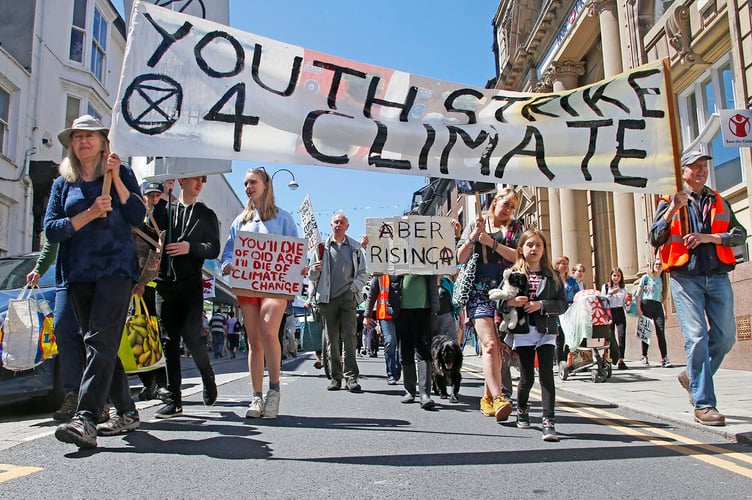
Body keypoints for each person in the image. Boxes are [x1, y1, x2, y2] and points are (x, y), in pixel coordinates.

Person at [45, 115, 144, 448]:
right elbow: (52, 229)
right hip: (78, 273)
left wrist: (116, 181)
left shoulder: (122, 172)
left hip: (115, 269)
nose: (82, 141)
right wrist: (88, 214)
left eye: (90, 136)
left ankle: (86, 418)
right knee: (99, 345)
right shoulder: (64, 183)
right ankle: (127, 410)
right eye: (76, 137)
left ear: (104, 142)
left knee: (100, 342)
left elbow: (138, 216)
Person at [650, 150, 746, 426]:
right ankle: (704, 404)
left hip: (717, 276)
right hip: (685, 277)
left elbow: (739, 234)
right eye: (695, 166)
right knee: (697, 337)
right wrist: (670, 212)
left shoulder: (719, 201)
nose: (701, 170)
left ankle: (690, 378)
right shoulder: (669, 200)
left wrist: (711, 237)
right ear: (683, 172)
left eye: (704, 166)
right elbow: (655, 236)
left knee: (726, 338)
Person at [221, 167, 298, 418]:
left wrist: (299, 267)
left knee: (268, 330)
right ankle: (256, 397)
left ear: (265, 184)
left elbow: (295, 252)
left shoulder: (284, 219)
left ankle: (274, 391)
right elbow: (228, 252)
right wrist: (229, 264)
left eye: (252, 182)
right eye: (245, 183)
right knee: (254, 340)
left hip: (275, 287)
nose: (248, 187)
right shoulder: (240, 221)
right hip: (247, 286)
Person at [152, 174, 220, 419]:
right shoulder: (166, 209)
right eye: (195, 179)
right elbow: (149, 231)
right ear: (181, 180)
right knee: (168, 340)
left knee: (192, 338)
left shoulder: (206, 214)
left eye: (203, 180)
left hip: (190, 284)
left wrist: (190, 247)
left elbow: (214, 249)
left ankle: (207, 376)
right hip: (164, 283)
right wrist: (160, 197)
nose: (200, 183)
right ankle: (174, 399)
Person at [456, 187, 523, 421]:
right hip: (479, 290)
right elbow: (460, 258)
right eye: (506, 204)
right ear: (495, 202)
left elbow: (519, 257)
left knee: (496, 349)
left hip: (505, 291)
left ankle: (486, 399)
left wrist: (491, 243)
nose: (508, 210)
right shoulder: (477, 223)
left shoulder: (514, 228)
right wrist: (474, 238)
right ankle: (498, 397)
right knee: (490, 345)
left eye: (512, 207)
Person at [26, 243, 110, 423]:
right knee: (63, 328)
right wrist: (39, 268)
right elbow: (52, 240)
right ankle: (72, 394)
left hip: (97, 276)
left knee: (95, 337)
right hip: (67, 279)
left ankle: (100, 399)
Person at [502, 229, 567, 441]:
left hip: (546, 331)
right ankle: (522, 409)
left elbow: (562, 304)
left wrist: (541, 305)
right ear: (521, 249)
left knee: (547, 376)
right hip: (523, 331)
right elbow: (499, 301)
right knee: (527, 378)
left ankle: (548, 421)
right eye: (530, 244)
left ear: (544, 250)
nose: (534, 248)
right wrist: (510, 302)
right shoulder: (513, 274)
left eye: (538, 245)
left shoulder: (553, 276)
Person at [308, 212, 368, 393]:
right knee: (332, 340)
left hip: (348, 299)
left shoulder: (356, 248)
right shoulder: (321, 248)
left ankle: (351, 378)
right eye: (335, 222)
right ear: (331, 225)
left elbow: (363, 273)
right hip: (327, 300)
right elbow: (311, 275)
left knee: (349, 338)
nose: (338, 225)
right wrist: (314, 270)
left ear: (347, 226)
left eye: (342, 222)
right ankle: (336, 378)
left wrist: (353, 289)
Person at [135, 181, 168, 401]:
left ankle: (162, 384)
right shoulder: (137, 215)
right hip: (137, 287)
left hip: (155, 287)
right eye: (150, 195)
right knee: (139, 336)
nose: (154, 199)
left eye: (157, 195)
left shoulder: (164, 214)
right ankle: (148, 383)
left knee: (157, 337)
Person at [395, 273, 440, 409]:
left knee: (423, 349)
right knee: (405, 349)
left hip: (424, 308)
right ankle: (410, 390)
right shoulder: (395, 254)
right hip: (401, 309)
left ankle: (425, 394)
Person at [364, 274, 402, 385]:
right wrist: (367, 316)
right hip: (385, 314)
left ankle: (397, 369)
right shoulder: (379, 272)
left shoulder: (403, 270)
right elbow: (372, 295)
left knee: (400, 344)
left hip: (402, 313)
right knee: (390, 342)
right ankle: (391, 373)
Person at [636, 257, 672, 367]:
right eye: (656, 264)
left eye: (660, 264)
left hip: (657, 305)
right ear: (652, 266)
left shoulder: (663, 280)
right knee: (645, 332)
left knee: (660, 332)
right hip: (646, 304)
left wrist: (665, 311)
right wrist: (639, 309)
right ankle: (644, 356)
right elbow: (638, 295)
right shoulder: (646, 278)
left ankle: (664, 358)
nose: (658, 266)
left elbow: (664, 297)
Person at [554, 255, 579, 373]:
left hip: (570, 311)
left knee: (570, 338)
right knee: (559, 340)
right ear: (557, 265)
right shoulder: (553, 280)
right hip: (558, 311)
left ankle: (568, 362)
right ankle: (560, 364)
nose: (564, 266)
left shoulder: (572, 281)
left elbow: (578, 294)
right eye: (562, 263)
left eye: (566, 264)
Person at [602, 267, 630, 370]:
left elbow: (626, 304)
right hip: (610, 312)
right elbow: (602, 300)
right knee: (610, 337)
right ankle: (609, 359)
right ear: (611, 276)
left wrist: (628, 302)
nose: (616, 278)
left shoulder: (623, 289)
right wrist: (610, 294)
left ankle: (621, 359)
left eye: (618, 276)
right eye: (614, 275)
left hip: (620, 312)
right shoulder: (605, 287)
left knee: (621, 336)